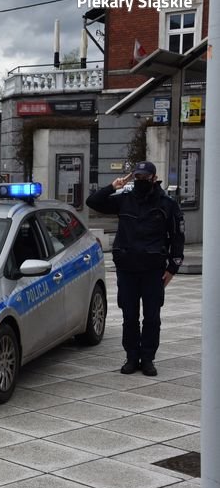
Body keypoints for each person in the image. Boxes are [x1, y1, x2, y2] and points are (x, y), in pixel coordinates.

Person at [86, 160, 184, 377]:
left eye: (144, 177)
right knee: (129, 316)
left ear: (153, 177)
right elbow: (92, 201)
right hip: (127, 268)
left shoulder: (166, 204)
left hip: (152, 270)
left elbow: (177, 238)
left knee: (151, 317)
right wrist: (114, 186)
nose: (140, 180)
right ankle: (131, 357)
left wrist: (172, 268)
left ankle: (148, 358)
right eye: (137, 177)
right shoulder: (125, 200)